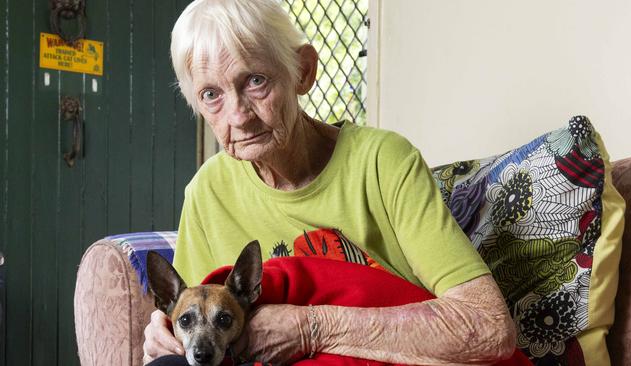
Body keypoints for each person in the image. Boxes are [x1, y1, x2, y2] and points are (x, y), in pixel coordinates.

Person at [143, 0, 517, 365]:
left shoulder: (383, 162)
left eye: (255, 81)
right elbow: (198, 319)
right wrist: (163, 334)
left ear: (303, 71)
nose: (238, 116)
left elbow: (488, 327)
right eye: (211, 95)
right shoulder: (207, 192)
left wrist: (312, 326)